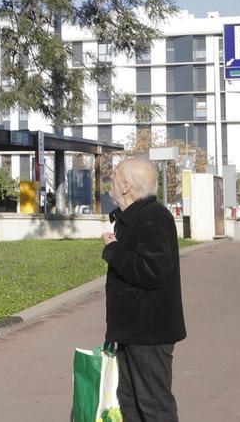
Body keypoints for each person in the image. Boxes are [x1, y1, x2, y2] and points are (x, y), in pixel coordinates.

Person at [101, 157, 186, 421]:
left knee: (154, 405)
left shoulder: (154, 218)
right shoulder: (132, 218)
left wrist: (113, 250)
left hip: (149, 333)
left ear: (126, 186)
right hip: (132, 331)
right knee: (130, 402)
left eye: (115, 173)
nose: (111, 177)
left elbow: (154, 271)